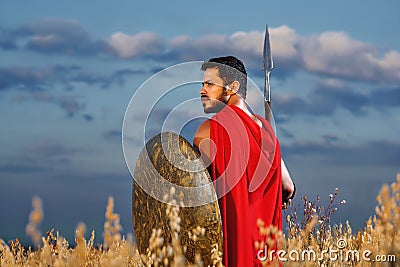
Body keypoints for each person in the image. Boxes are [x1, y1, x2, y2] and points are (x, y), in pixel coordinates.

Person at [193, 56, 295, 266]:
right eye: (202, 84)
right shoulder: (268, 132)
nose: (202, 90)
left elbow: (192, 187)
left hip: (232, 251)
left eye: (210, 84)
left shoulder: (210, 130)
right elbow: (288, 186)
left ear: (233, 86)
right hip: (265, 254)